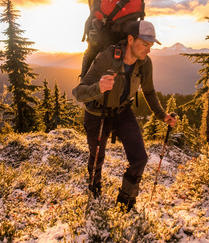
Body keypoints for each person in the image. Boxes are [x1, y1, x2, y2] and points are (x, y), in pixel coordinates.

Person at [72, 20, 177, 211]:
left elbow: (150, 92)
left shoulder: (145, 64)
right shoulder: (107, 57)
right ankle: (94, 191)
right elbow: (78, 92)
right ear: (130, 39)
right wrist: (99, 88)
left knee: (140, 158)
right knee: (97, 157)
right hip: (97, 113)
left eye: (151, 45)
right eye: (145, 44)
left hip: (123, 111)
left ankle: (125, 203)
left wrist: (163, 116)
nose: (149, 49)